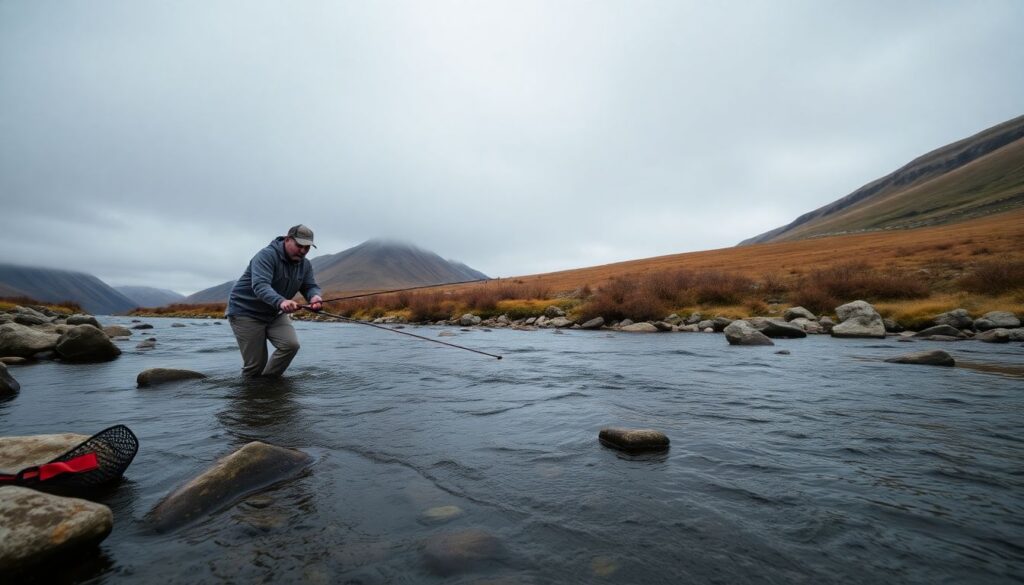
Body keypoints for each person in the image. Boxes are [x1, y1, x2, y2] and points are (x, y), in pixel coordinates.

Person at [226, 224, 324, 377]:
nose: (303, 251)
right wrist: (281, 302)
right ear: (287, 240)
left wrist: (315, 297)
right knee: (255, 366)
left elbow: (310, 286)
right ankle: (252, 390)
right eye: (299, 246)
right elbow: (260, 286)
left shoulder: (305, 265)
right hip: (245, 312)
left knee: (290, 345)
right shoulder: (266, 256)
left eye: (307, 248)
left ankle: (268, 384)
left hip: (274, 313)